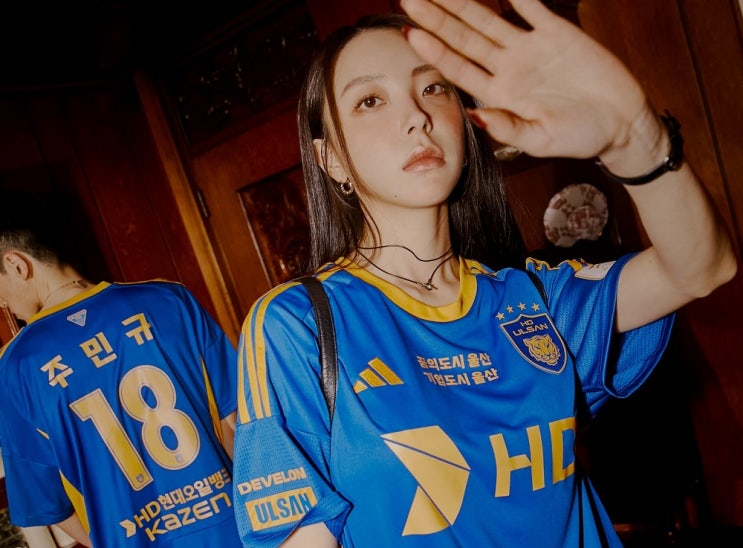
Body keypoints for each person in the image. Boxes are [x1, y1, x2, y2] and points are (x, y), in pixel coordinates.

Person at [231, 0, 737, 546]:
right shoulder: (297, 325)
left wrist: (637, 138)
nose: (416, 117)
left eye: (433, 88)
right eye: (370, 100)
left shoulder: (533, 298)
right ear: (330, 159)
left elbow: (701, 267)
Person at [0, 192, 242, 547]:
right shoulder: (170, 299)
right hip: (234, 531)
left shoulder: (13, 367)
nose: (1, 301)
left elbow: (49, 505)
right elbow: (236, 422)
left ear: (17, 264)